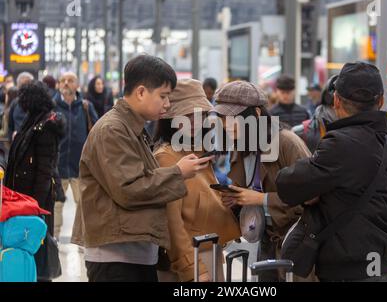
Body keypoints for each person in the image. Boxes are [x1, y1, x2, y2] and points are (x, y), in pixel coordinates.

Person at [71, 54, 212, 282]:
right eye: (163, 96)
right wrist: (178, 172)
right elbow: (129, 188)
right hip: (116, 258)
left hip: (131, 252)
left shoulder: (131, 127)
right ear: (141, 92)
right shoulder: (113, 130)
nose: (167, 104)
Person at [276, 62, 387, 282]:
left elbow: (287, 185)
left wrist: (318, 195)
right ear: (381, 101)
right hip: (382, 268)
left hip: (345, 270)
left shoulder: (338, 143)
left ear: (336, 100)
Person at [213, 81, 314, 282]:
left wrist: (261, 199)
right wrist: (236, 201)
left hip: (297, 243)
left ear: (257, 114)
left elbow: (311, 197)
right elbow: (246, 191)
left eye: (233, 118)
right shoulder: (240, 146)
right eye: (223, 118)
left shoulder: (286, 143)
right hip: (266, 241)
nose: (226, 125)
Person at [154, 79, 240, 282]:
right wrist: (192, 268)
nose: (195, 121)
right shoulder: (166, 157)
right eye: (187, 115)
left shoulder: (199, 151)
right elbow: (172, 223)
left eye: (200, 114)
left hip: (210, 250)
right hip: (190, 260)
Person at [5, 81, 65, 282]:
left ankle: (39, 277)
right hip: (23, 198)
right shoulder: (34, 119)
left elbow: (44, 171)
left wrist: (36, 206)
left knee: (37, 244)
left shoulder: (46, 125)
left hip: (34, 201)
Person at [53, 72, 99, 239]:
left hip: (81, 165)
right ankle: (54, 239)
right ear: (58, 84)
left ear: (77, 85)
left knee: (84, 205)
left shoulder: (86, 106)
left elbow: (96, 131)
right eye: (63, 81)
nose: (66, 83)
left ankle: (84, 240)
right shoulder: (53, 106)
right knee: (57, 205)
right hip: (58, 165)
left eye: (70, 80)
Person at [293, 76, 338, 153]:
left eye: (312, 90)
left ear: (318, 92)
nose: (310, 92)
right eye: (309, 90)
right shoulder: (307, 106)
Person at [8, 72, 34, 140]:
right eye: (22, 85)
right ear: (18, 86)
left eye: (28, 84)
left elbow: (41, 125)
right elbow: (10, 126)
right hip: (17, 142)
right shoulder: (15, 103)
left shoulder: (38, 103)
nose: (25, 88)